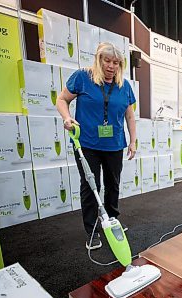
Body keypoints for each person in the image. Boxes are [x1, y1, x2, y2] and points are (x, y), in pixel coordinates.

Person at [56, 42, 137, 250]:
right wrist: (67, 118)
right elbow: (62, 99)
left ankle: (112, 219)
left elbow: (129, 115)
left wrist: (133, 140)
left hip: (114, 144)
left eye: (116, 63)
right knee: (91, 185)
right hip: (86, 144)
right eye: (107, 61)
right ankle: (92, 230)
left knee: (113, 184)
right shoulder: (82, 77)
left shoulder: (124, 85)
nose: (111, 66)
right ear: (99, 60)